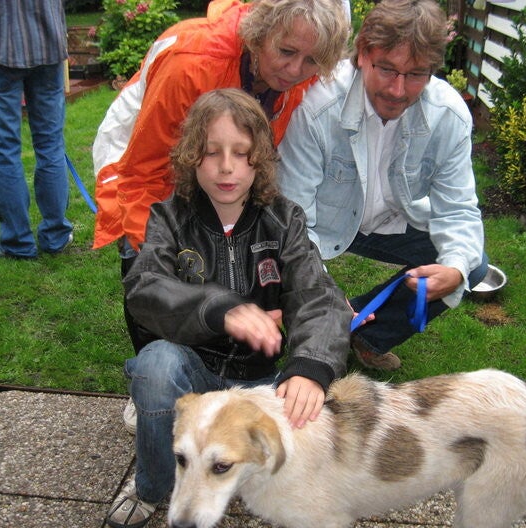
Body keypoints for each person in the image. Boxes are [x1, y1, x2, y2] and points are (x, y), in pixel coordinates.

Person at [104, 88, 352, 528]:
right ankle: (152, 487)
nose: (226, 166)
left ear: (260, 160)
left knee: (315, 401)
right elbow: (144, 288)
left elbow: (317, 295)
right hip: (195, 371)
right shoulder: (168, 218)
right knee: (154, 367)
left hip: (262, 379)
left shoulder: (285, 219)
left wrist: (310, 366)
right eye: (211, 151)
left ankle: (258, 474)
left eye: (241, 153)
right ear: (190, 156)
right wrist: (220, 308)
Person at [92, 0, 350, 355]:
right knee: (152, 248)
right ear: (260, 34)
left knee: (216, 241)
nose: (295, 70)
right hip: (145, 155)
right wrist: (149, 255)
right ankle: (152, 355)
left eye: (311, 61)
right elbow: (144, 174)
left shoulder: (304, 74)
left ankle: (215, 349)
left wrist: (321, 295)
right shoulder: (192, 64)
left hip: (213, 162)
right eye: (286, 52)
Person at [278, 0, 489, 370]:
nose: (398, 90)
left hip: (393, 221)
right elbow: (290, 219)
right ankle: (323, 321)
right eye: (387, 69)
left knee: (470, 264)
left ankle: (366, 333)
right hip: (323, 222)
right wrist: (325, 295)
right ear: (363, 55)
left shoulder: (449, 115)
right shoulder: (317, 106)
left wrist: (454, 269)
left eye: (416, 74)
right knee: (285, 259)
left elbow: (458, 211)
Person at [0, 0, 73, 259]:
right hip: (48, 45)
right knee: (50, 144)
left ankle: (17, 243)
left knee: (4, 151)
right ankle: (56, 236)